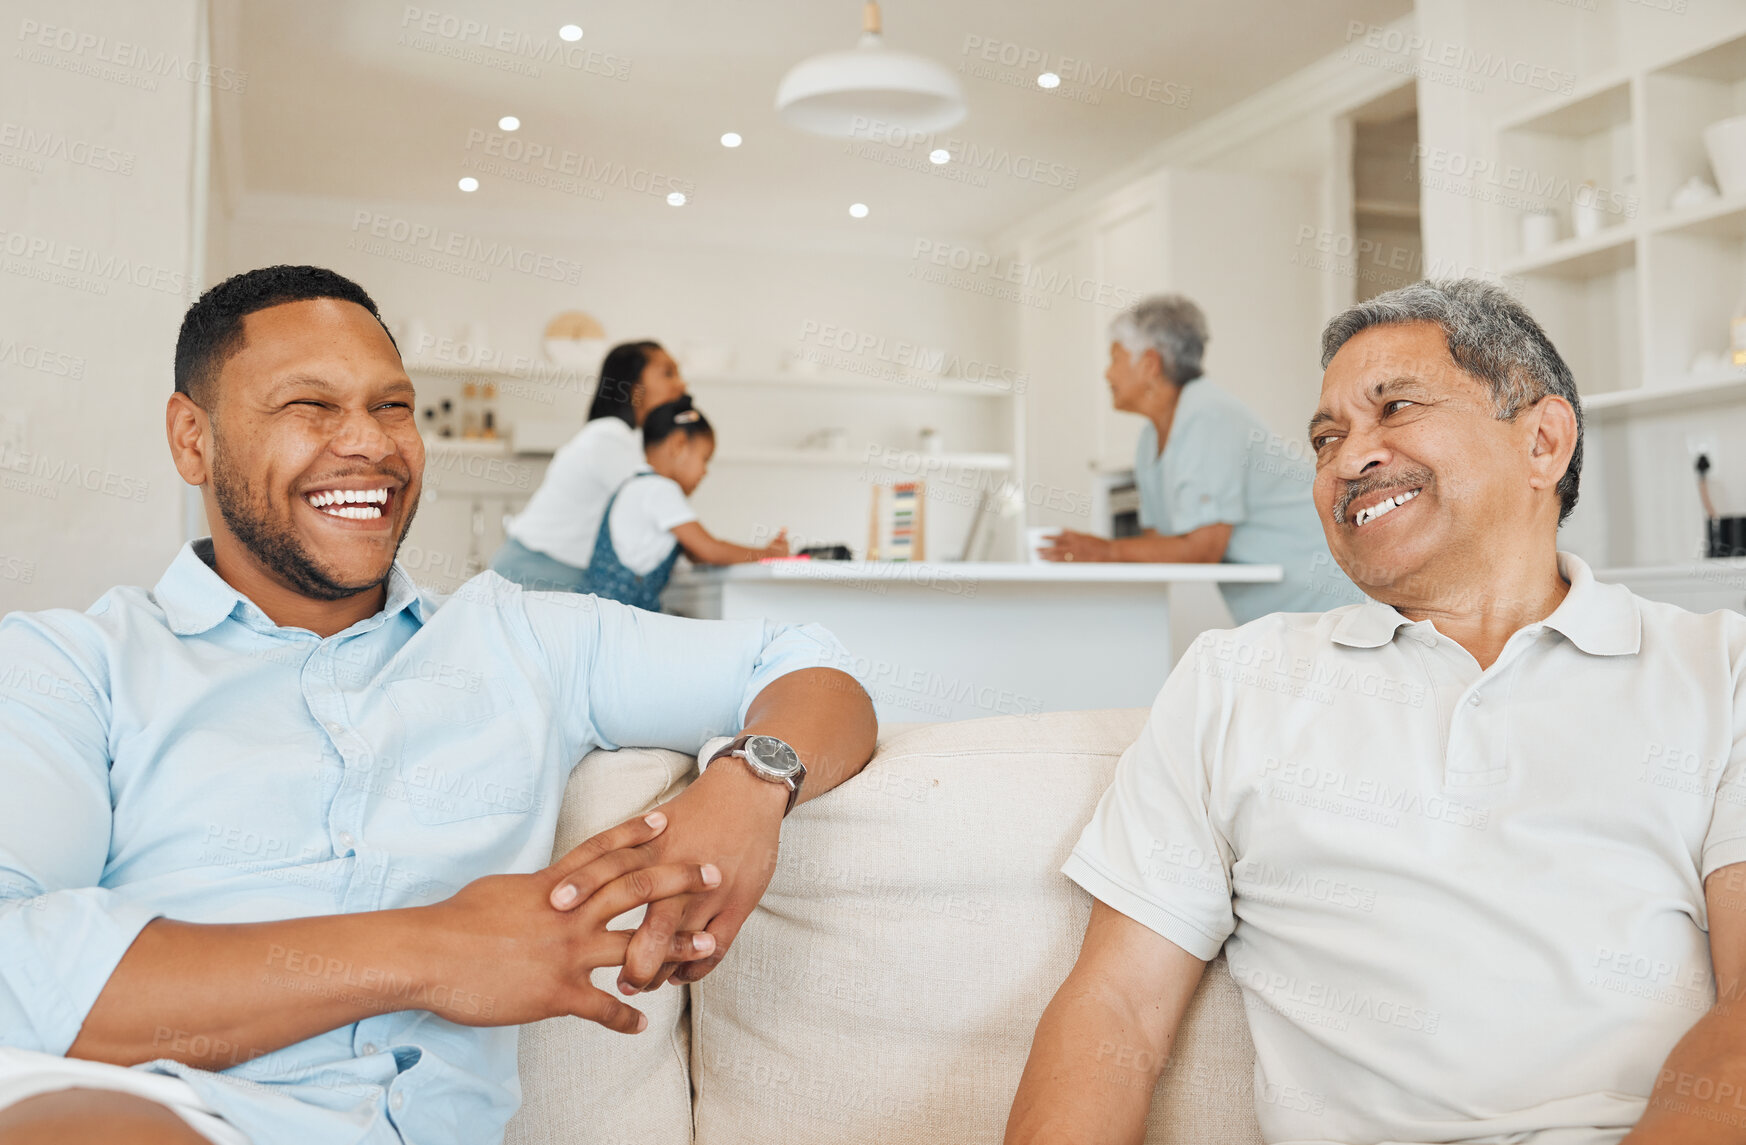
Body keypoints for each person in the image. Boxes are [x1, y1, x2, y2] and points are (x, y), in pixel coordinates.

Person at [0, 265, 877, 1145]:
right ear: (192, 438)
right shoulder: (73, 664)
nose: (371, 445)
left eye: (392, 407)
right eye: (310, 404)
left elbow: (806, 662)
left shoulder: (523, 640)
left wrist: (751, 784)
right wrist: (438, 949)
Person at [1007, 279, 1746, 1144]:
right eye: (1326, 439)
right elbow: (1116, 1011)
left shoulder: (1718, 670)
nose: (1349, 459)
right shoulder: (1234, 680)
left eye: (1394, 408)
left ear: (1542, 441)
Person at [1040, 294, 1360, 623]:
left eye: (1115, 358)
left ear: (1149, 364)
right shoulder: (1150, 440)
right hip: (1278, 608)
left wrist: (1105, 552)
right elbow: (1159, 545)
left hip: (1323, 592)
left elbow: (1202, 551)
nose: (1107, 374)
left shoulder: (1209, 417)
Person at [489, 340, 685, 592]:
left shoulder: (626, 440)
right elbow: (660, 516)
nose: (681, 384)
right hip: (534, 572)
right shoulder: (610, 439)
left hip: (549, 572)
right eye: (668, 373)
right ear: (633, 386)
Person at [584, 396, 788, 610]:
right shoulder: (660, 489)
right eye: (704, 459)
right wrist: (767, 555)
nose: (705, 471)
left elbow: (696, 554)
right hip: (615, 618)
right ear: (679, 445)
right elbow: (708, 550)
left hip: (600, 612)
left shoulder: (637, 485)